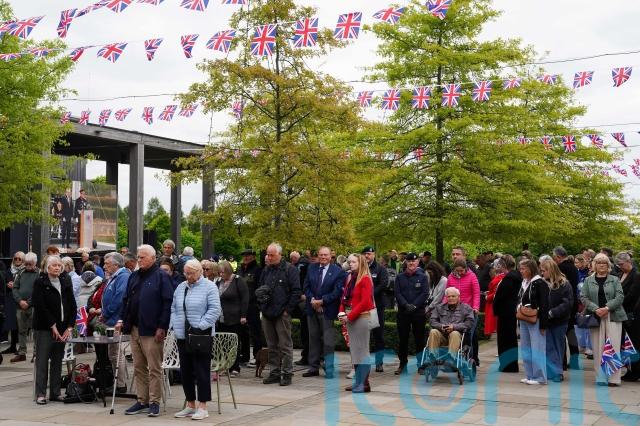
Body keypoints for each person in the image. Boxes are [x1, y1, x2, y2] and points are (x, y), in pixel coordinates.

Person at [116, 244, 174, 417]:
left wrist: (162, 326)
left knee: (154, 368)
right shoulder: (134, 276)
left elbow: (167, 303)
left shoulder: (161, 277)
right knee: (139, 367)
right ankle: (142, 400)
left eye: (142, 257)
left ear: (153, 258)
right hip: (134, 327)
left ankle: (154, 401)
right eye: (138, 257)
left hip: (152, 329)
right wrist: (122, 319)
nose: (139, 260)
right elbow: (126, 300)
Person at [170, 259, 221, 421]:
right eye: (186, 273)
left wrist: (200, 326)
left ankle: (203, 406)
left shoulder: (209, 287)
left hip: (201, 335)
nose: (188, 276)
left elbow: (215, 310)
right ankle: (190, 404)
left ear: (200, 272)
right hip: (182, 335)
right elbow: (174, 308)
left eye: (191, 273)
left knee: (201, 371)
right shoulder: (181, 287)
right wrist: (174, 324)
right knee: (185, 371)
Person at [31, 255, 77, 405]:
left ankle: (55, 393)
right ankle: (41, 394)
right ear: (47, 267)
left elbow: (72, 305)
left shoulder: (65, 281)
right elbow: (40, 306)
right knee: (42, 361)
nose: (57, 267)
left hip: (62, 328)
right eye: (54, 265)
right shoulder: (40, 282)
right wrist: (52, 325)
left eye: (59, 265)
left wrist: (69, 327)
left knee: (57, 361)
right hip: (45, 328)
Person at [257, 243, 301, 386]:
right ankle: (274, 372)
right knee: (271, 345)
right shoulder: (266, 270)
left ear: (280, 255)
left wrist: (287, 310)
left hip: (282, 313)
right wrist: (262, 306)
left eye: (272, 255)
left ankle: (287, 373)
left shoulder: (290, 269)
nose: (269, 257)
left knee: (285, 345)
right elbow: (260, 288)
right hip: (267, 312)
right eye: (268, 254)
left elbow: (296, 291)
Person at [581, 253, 627, 386]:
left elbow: (620, 297)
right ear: (594, 265)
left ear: (608, 266)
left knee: (613, 347)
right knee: (597, 348)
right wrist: (596, 309)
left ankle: (614, 379)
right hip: (596, 317)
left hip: (613, 316)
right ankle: (600, 377)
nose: (602, 265)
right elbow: (583, 297)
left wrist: (607, 308)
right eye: (599, 263)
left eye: (604, 263)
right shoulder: (588, 280)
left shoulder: (615, 279)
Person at [302, 246, 346, 379]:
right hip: (312, 309)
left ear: (331, 256)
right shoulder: (312, 268)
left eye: (325, 255)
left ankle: (329, 368)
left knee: (328, 340)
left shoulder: (338, 271)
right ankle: (313, 367)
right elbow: (306, 286)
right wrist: (313, 300)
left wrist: (322, 301)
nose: (323, 257)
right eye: (321, 255)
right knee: (313, 338)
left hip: (328, 310)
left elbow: (337, 291)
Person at [338, 254, 375, 393]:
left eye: (354, 262)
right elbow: (344, 298)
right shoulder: (351, 277)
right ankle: (359, 382)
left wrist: (350, 316)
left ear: (361, 263)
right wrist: (341, 313)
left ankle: (364, 383)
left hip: (361, 318)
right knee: (355, 351)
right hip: (351, 317)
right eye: (349, 262)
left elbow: (365, 302)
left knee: (362, 352)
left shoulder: (365, 279)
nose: (351, 264)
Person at [393, 252, 429, 375]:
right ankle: (402, 364)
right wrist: (405, 305)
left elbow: (425, 293)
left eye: (414, 261)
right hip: (403, 312)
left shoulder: (423, 277)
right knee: (403, 339)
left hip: (418, 312)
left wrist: (414, 305)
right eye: (409, 261)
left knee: (419, 339)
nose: (411, 263)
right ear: (406, 262)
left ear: (418, 262)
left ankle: (421, 364)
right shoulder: (400, 277)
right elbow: (397, 293)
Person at [101, 252, 131, 392]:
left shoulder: (123, 276)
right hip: (111, 320)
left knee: (116, 353)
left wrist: (106, 313)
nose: (104, 266)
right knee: (113, 353)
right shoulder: (115, 276)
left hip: (116, 320)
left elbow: (119, 298)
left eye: (107, 264)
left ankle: (120, 384)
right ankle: (118, 382)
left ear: (116, 265)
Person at [540, 258, 573, 382]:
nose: (542, 273)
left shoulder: (564, 283)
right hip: (546, 321)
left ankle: (558, 372)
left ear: (551, 270)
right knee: (548, 346)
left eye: (544, 271)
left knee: (558, 346)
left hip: (560, 321)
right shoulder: (542, 283)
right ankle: (552, 371)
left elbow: (567, 303)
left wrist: (552, 312)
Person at [518, 258, 549, 385]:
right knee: (526, 348)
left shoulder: (540, 283)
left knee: (537, 348)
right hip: (524, 318)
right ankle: (530, 375)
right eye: (520, 269)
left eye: (523, 269)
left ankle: (540, 377)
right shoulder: (524, 282)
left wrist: (543, 325)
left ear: (530, 269)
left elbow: (545, 304)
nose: (521, 271)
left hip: (536, 319)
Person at [445, 257, 481, 365]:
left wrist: (475, 307)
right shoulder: (450, 277)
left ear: (466, 268)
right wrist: (443, 306)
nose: (460, 273)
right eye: (457, 271)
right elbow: (446, 294)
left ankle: (470, 359)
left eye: (462, 271)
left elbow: (476, 293)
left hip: (469, 311)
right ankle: (454, 356)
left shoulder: (472, 276)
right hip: (455, 311)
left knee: (469, 336)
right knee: (455, 333)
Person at [216, 260, 249, 376]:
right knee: (223, 343)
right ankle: (225, 366)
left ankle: (235, 367)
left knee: (234, 343)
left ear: (228, 271)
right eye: (219, 272)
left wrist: (243, 315)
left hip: (235, 317)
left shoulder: (238, 280)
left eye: (223, 272)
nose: (221, 274)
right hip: (221, 317)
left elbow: (245, 299)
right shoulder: (218, 281)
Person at [427, 287, 475, 361]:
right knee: (433, 331)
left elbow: (469, 323)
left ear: (458, 297)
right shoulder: (439, 307)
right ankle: (432, 356)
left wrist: (454, 327)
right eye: (448, 296)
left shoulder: (466, 308)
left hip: (458, 337)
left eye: (453, 296)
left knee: (454, 333)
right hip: (442, 336)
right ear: (446, 298)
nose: (451, 298)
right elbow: (432, 321)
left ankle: (451, 358)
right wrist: (441, 326)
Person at [361, 246, 388, 372]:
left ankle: (379, 362)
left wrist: (369, 295)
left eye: (369, 253)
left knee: (378, 335)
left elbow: (383, 284)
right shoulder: (360, 268)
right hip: (362, 307)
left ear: (374, 255)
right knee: (362, 336)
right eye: (365, 254)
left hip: (376, 307)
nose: (367, 256)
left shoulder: (380, 269)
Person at [553, 246, 580, 370]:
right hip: (573, 302)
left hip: (564, 302)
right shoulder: (573, 267)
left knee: (561, 332)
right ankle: (575, 359)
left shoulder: (561, 268)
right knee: (570, 331)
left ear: (558, 257)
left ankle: (562, 361)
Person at [492, 255, 521, 372]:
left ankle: (507, 365)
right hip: (510, 312)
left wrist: (496, 307)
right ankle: (510, 365)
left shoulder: (509, 279)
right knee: (511, 339)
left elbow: (500, 296)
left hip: (505, 313)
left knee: (505, 340)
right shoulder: (516, 277)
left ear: (504, 265)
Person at [236, 249, 265, 367]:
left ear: (253, 256)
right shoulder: (240, 269)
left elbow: (259, 287)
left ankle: (257, 356)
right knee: (242, 331)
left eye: (248, 255)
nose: (246, 257)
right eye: (244, 255)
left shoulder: (258, 270)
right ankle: (244, 356)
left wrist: (256, 301)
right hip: (240, 305)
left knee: (255, 332)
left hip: (252, 305)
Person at [615, 252, 640, 381]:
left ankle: (635, 371)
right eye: (618, 265)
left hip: (631, 314)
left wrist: (615, 303)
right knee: (626, 344)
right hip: (621, 313)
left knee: (633, 344)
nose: (620, 267)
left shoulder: (636, 275)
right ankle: (631, 369)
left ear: (628, 261)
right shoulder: (620, 274)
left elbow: (632, 296)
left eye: (621, 264)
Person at [10, 252, 39, 363]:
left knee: (35, 330)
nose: (27, 266)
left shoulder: (39, 273)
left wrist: (29, 302)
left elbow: (38, 290)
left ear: (35, 263)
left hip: (33, 306)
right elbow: (15, 288)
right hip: (20, 306)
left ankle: (36, 353)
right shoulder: (21, 272)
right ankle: (22, 353)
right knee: (21, 330)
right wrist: (20, 301)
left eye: (30, 264)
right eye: (26, 263)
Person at [2, 252, 24, 357]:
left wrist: (15, 286)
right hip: (10, 299)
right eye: (15, 258)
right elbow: (3, 283)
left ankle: (21, 348)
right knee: (12, 323)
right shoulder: (9, 271)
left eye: (20, 259)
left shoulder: (25, 271)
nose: (17, 261)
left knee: (20, 324)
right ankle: (13, 346)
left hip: (20, 299)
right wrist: (7, 285)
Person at [484, 258, 505, 337]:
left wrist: (487, 297)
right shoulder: (501, 277)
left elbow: (496, 293)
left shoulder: (499, 278)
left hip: (494, 304)